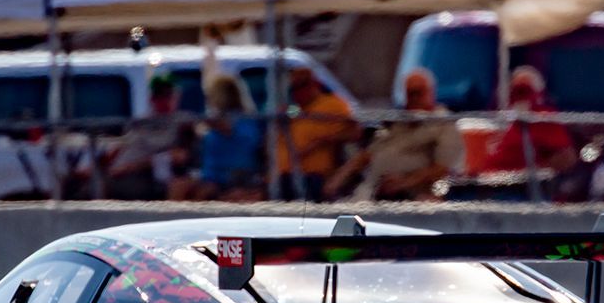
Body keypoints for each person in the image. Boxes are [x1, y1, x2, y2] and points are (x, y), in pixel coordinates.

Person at [324, 68, 465, 201]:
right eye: (410, 93)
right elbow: (367, 155)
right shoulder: (399, 123)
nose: (414, 98)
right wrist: (338, 179)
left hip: (412, 195)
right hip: (372, 190)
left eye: (418, 92)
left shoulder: (444, 123)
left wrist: (404, 182)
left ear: (431, 93)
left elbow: (443, 170)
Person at [171, 73, 266, 202]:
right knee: (178, 186)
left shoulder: (245, 119)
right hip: (209, 175)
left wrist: (207, 122)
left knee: (203, 193)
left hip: (233, 175)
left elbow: (231, 131)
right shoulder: (213, 121)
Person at [102, 75, 194, 200]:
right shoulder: (140, 122)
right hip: (118, 173)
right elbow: (122, 144)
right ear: (152, 98)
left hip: (142, 175)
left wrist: (129, 167)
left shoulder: (183, 122)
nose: (165, 100)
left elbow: (180, 156)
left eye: (169, 95)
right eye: (160, 95)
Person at [275, 66, 357, 201]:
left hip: (313, 175)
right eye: (294, 88)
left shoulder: (333, 104)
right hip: (284, 174)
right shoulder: (296, 109)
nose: (297, 92)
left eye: (301, 87)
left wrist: (321, 141)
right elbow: (289, 116)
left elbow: (354, 132)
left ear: (313, 84)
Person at [484, 66, 577, 175]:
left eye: (523, 90)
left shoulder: (543, 118)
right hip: (489, 179)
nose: (519, 95)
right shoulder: (503, 115)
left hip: (519, 184)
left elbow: (567, 157)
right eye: (515, 90)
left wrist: (533, 172)